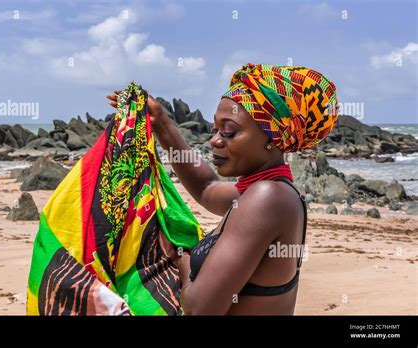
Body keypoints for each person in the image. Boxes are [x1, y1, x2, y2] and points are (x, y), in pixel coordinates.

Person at [107, 63, 338, 315]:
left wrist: (182, 257)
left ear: (273, 139)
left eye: (229, 131)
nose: (215, 140)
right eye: (215, 129)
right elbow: (207, 188)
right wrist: (161, 122)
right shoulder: (263, 192)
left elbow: (199, 309)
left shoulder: (268, 198)